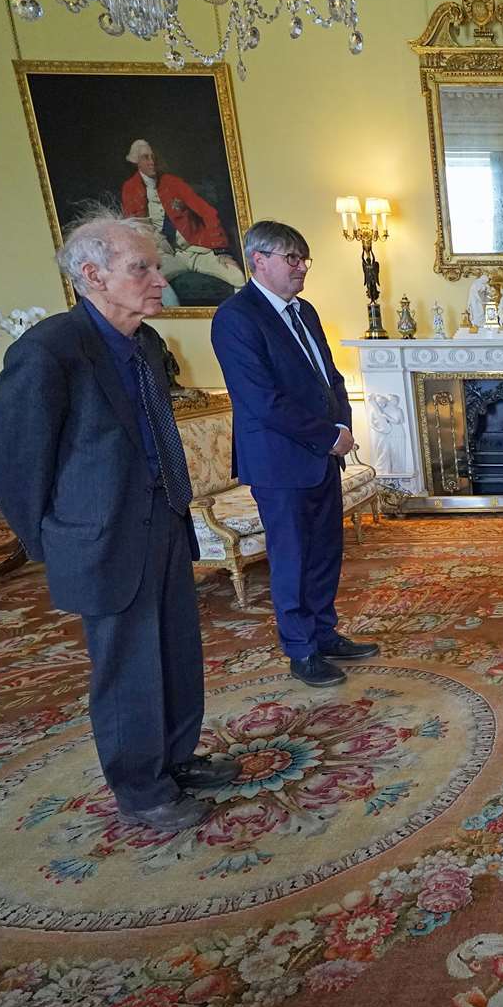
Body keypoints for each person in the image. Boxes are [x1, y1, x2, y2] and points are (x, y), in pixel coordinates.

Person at [0, 209, 235, 832]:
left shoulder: (146, 343)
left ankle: (176, 759)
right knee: (127, 666)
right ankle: (141, 788)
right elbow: (11, 463)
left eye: (156, 265)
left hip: (163, 519)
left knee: (176, 647)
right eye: (141, 267)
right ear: (92, 275)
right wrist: (52, 540)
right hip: (100, 536)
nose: (158, 279)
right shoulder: (49, 350)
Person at [210, 220, 378, 687]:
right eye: (292, 259)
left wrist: (342, 424)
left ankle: (325, 635)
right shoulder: (236, 318)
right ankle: (301, 650)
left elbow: (332, 378)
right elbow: (263, 400)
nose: (301, 267)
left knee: (325, 551)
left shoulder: (304, 311)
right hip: (279, 462)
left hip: (322, 454)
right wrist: (328, 436)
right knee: (292, 556)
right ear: (258, 260)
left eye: (304, 259)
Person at [120, 138, 246, 301]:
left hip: (195, 250)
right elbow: (134, 226)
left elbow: (208, 213)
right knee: (148, 285)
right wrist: (155, 242)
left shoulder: (172, 182)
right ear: (137, 161)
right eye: (146, 158)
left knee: (239, 278)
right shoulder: (130, 188)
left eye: (153, 157)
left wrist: (222, 250)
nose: (152, 162)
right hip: (164, 256)